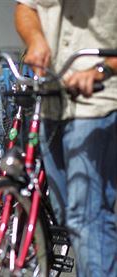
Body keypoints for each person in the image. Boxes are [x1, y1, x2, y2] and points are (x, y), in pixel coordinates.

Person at [15, 1, 117, 276]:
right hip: (52, 102)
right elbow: (26, 8)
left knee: (88, 215)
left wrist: (103, 69)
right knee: (68, 216)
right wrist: (35, 39)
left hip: (99, 104)